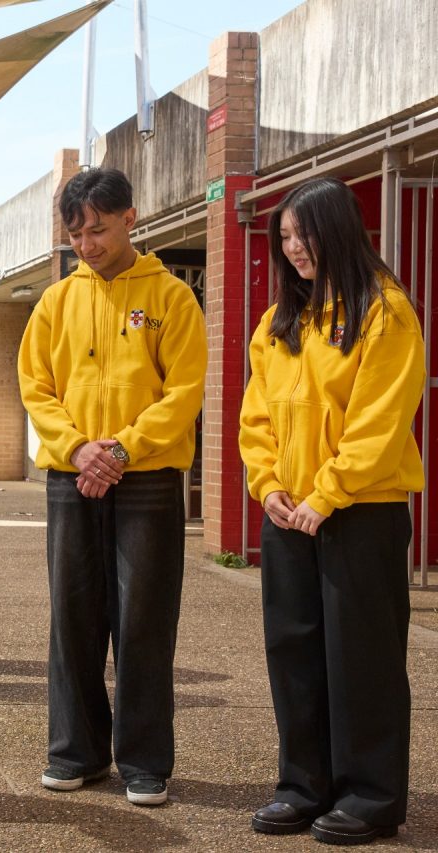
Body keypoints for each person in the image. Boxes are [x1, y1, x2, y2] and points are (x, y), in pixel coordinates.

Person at [239, 177, 422, 845]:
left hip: (359, 512)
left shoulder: (384, 311)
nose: (293, 249)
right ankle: (302, 784)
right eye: (284, 237)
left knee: (362, 657)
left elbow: (379, 421)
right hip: (289, 513)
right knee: (294, 651)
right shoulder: (278, 321)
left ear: (339, 228)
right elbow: (255, 415)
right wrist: (268, 485)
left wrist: (327, 493)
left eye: (303, 234)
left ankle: (370, 796)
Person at [17, 167, 206, 807]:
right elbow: (35, 388)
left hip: (147, 477)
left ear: (130, 217)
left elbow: (184, 392)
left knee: (144, 620)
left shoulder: (172, 298)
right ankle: (76, 751)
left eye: (97, 229)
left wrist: (122, 447)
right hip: (72, 476)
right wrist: (78, 448)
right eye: (76, 234)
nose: (87, 244)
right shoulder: (54, 302)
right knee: (72, 614)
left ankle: (145, 760)